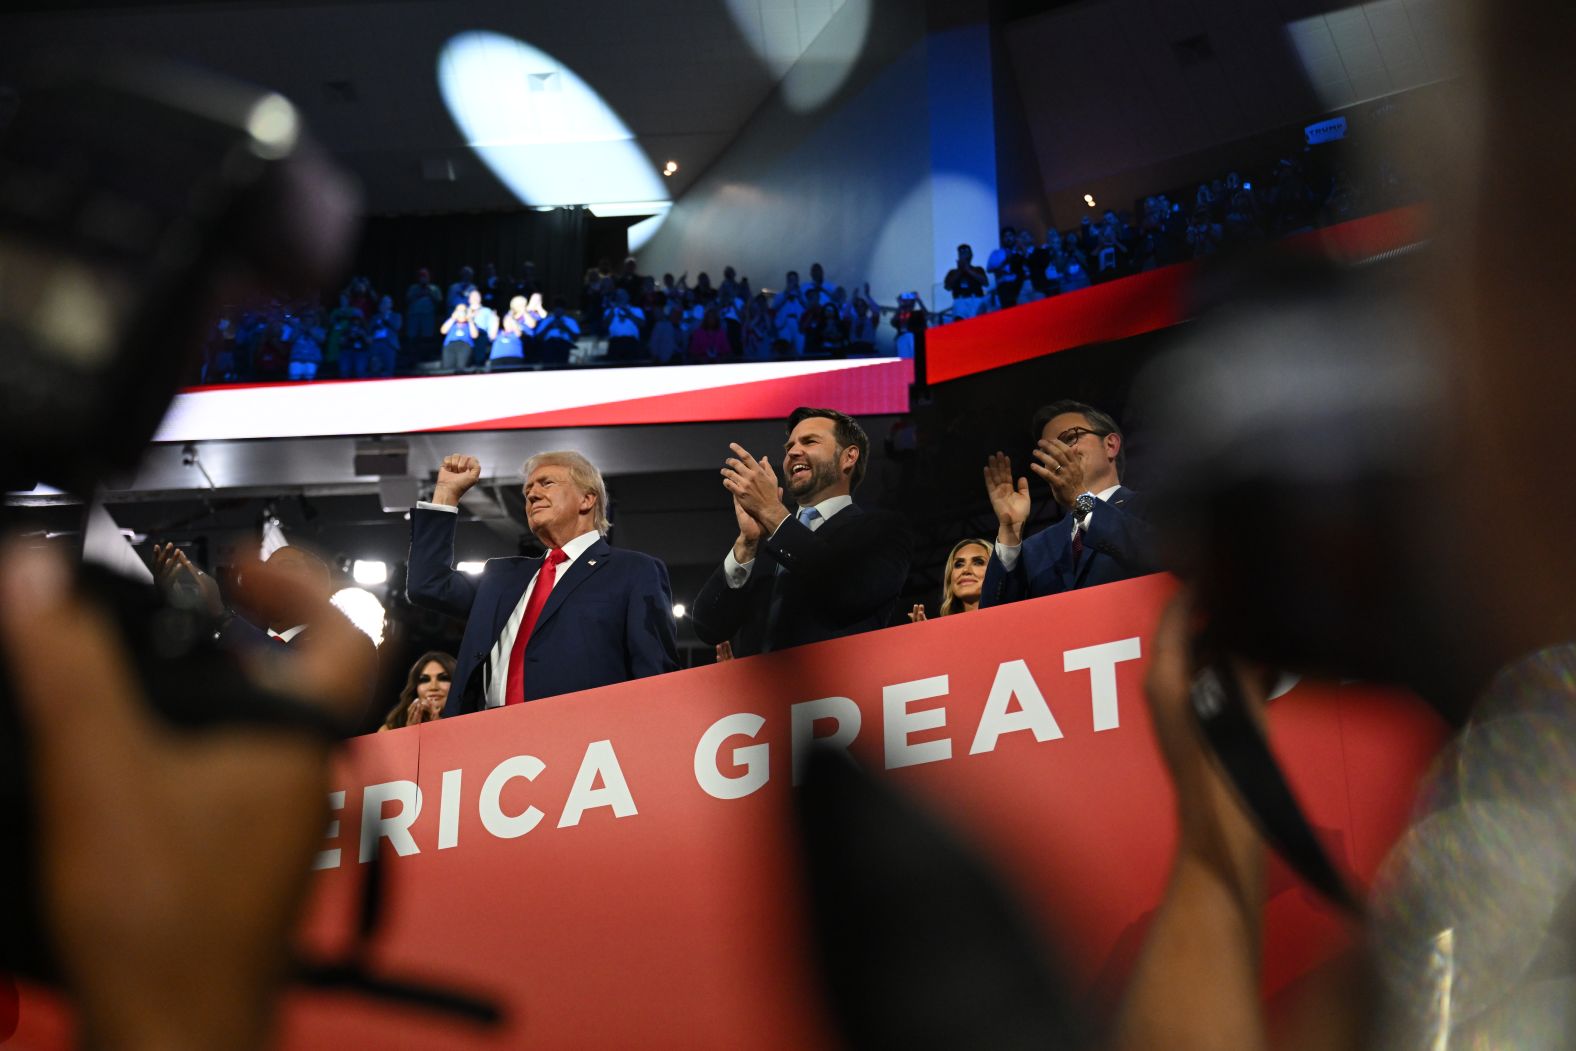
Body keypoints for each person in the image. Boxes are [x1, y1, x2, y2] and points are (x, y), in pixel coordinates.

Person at [406, 450, 679, 716]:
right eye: (527, 492)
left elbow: (653, 674)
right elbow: (427, 584)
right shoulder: (501, 576)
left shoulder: (634, 570)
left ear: (587, 499)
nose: (532, 494)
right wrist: (445, 494)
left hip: (585, 742)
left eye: (546, 483)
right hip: (487, 742)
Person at [691, 407, 913, 656]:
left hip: (836, 693)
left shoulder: (884, 530)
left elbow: (849, 592)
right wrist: (747, 543)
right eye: (789, 447)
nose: (793, 452)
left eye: (809, 441)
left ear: (848, 457)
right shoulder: (767, 543)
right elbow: (708, 628)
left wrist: (773, 513)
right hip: (757, 695)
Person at [980, 400, 1161, 605]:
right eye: (1048, 452)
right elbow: (993, 618)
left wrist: (1080, 500)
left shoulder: (1154, 506)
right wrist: (1009, 532)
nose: (1058, 455)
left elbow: (1163, 557)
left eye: (1069, 438)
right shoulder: (1037, 547)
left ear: (1111, 445)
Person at [908, 537, 991, 622]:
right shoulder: (941, 630)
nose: (965, 570)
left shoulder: (1005, 620)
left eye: (978, 562)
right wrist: (929, 634)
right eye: (959, 565)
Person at [378, 651, 455, 731]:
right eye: (424, 680)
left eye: (443, 678)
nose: (433, 687)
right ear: (415, 688)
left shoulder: (468, 724)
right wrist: (411, 734)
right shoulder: (390, 729)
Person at [943, 244, 989, 319]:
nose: (964, 255)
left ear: (971, 255)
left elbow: (985, 282)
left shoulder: (978, 269)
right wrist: (960, 270)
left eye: (966, 252)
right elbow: (947, 286)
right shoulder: (952, 272)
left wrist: (968, 269)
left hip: (976, 300)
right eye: (961, 253)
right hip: (960, 301)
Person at [439, 302, 476, 372]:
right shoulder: (452, 323)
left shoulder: (469, 324)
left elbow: (474, 335)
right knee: (447, 368)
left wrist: (470, 320)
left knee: (461, 368)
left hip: (465, 345)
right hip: (450, 346)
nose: (461, 314)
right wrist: (452, 318)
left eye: (463, 311)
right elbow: (443, 331)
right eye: (459, 311)